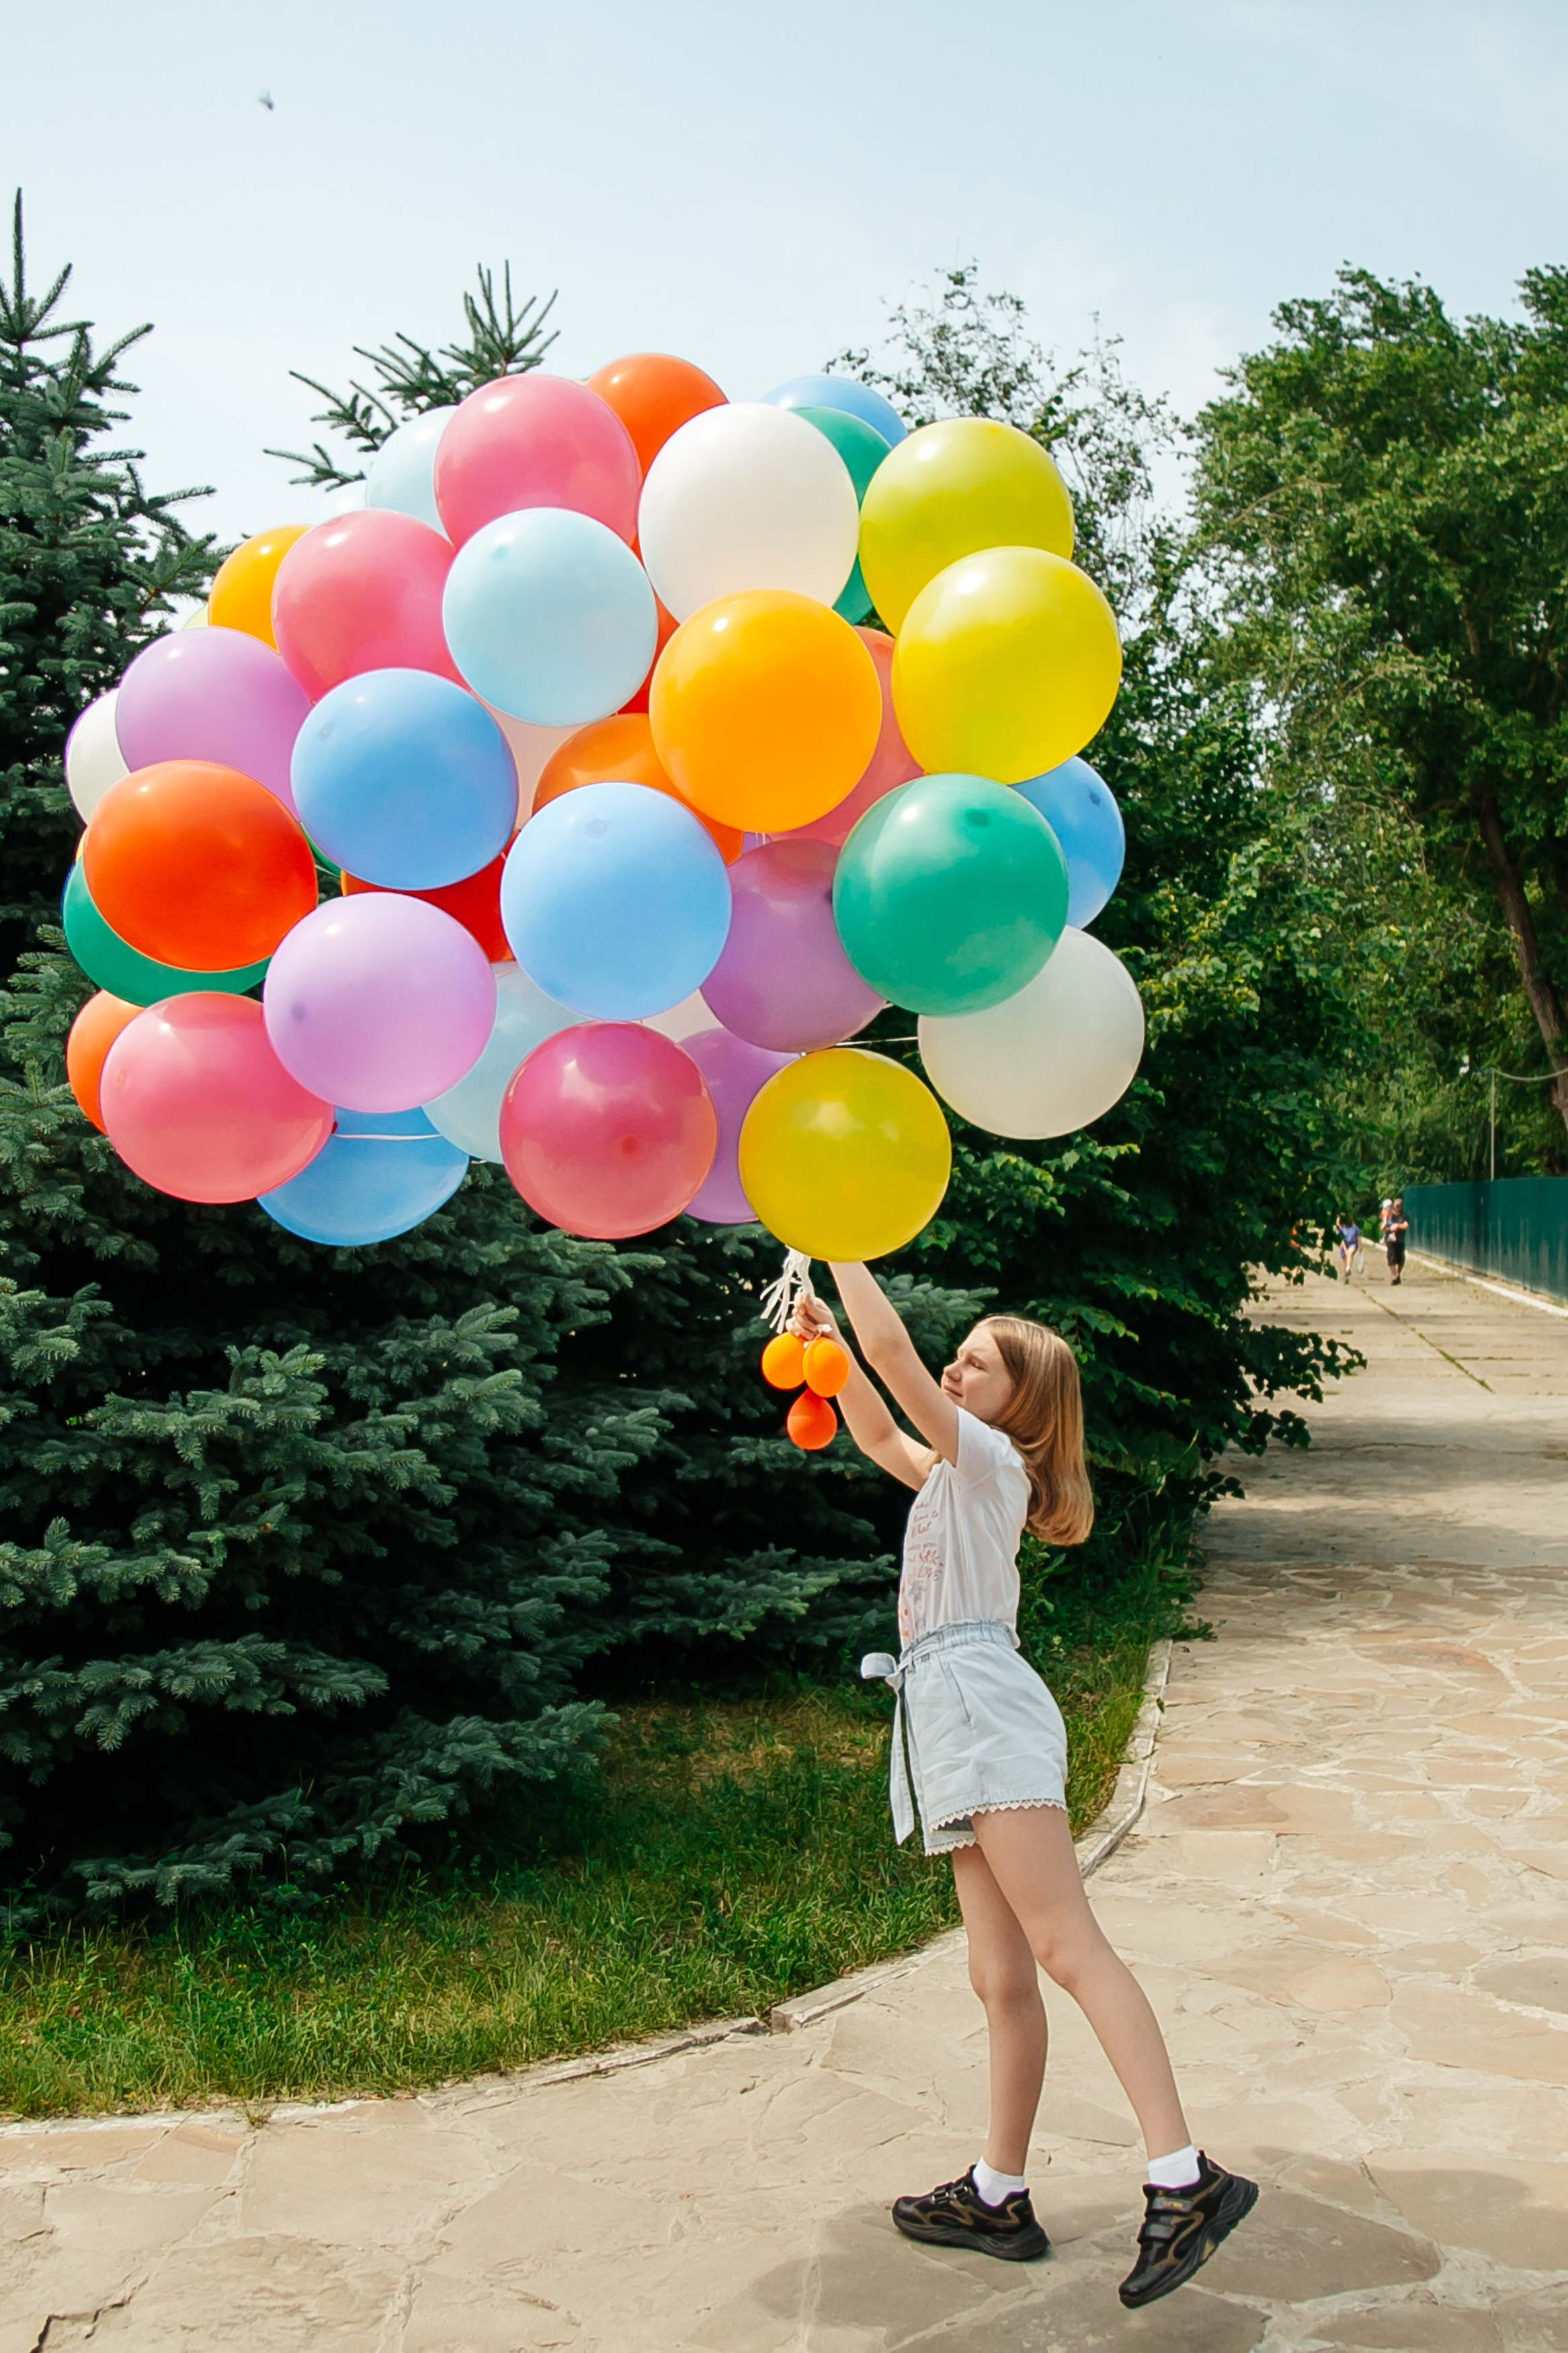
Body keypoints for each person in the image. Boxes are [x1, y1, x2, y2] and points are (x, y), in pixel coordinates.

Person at [791, 1263, 1257, 2310]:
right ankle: (997, 2194)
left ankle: (1184, 2177)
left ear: (1023, 1406)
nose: (955, 1369)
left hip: (985, 1713)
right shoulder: (951, 1475)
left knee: (1065, 1946)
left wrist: (841, 1249)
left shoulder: (994, 1461)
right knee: (1000, 1976)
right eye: (957, 1357)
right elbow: (878, 1429)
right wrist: (826, 1345)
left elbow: (900, 1365)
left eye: (977, 1365)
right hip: (945, 1719)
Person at [1385, 1197, 1409, 1286]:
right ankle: (1394, 1276)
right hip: (1391, 1240)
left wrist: (1397, 1226)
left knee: (1401, 1260)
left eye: (1398, 1206)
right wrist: (1390, 1228)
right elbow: (1384, 1226)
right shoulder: (1389, 1215)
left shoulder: (1404, 1216)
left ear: (1401, 1207)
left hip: (1400, 1240)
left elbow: (1406, 1225)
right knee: (1391, 1259)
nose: (1396, 1208)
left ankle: (1398, 1275)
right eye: (1395, 1206)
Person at [1333, 1214, 1362, 1278]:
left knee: (1350, 1254)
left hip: (1353, 1244)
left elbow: (1358, 1236)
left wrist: (1360, 1245)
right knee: (1345, 1260)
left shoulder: (1354, 1227)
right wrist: (1345, 1250)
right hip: (1343, 1245)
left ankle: (1348, 1268)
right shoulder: (1340, 1228)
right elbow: (1341, 1240)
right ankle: (1346, 1273)